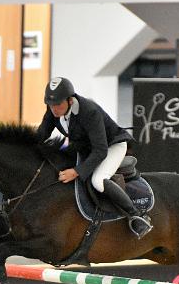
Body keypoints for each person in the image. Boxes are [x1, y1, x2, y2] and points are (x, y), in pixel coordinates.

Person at [36, 76, 152, 239]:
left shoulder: (88, 111)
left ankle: (137, 216)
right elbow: (41, 135)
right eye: (51, 105)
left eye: (58, 104)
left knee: (97, 180)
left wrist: (76, 172)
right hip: (86, 147)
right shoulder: (53, 110)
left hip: (111, 146)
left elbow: (100, 150)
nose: (54, 109)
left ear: (70, 100)